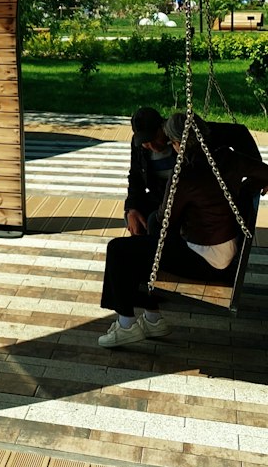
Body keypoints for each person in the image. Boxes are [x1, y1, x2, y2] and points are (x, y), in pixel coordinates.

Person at [101, 111, 268, 347]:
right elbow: (265, 172)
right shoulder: (230, 159)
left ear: (177, 142)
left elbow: (163, 222)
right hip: (226, 252)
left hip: (204, 260)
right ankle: (151, 318)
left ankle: (126, 323)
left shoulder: (184, 176)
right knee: (143, 248)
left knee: (119, 249)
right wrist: (245, 189)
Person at [124, 106, 262, 236]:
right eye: (145, 142)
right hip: (160, 194)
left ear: (162, 127)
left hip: (191, 198)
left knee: (155, 222)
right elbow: (136, 175)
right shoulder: (139, 147)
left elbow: (239, 133)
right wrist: (132, 208)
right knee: (136, 217)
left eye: (154, 139)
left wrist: (258, 170)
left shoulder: (184, 133)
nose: (151, 146)